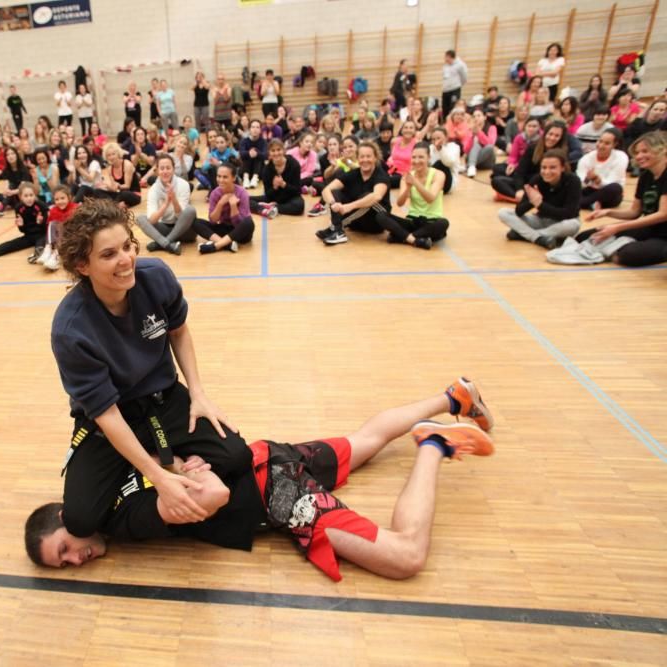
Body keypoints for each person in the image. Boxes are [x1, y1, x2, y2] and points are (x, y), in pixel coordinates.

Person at [25, 378, 495, 583]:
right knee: (365, 440)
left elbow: (206, 493)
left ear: (67, 513)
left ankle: (433, 444)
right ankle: (451, 396)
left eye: (64, 548)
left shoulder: (117, 513)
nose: (76, 559)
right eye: (64, 565)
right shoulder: (111, 483)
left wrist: (182, 474)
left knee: (405, 555)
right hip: (266, 458)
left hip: (276, 493)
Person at [49, 199, 251, 538]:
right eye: (109, 254)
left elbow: (179, 331)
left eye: (127, 246)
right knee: (82, 521)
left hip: (162, 399)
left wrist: (198, 393)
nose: (126, 260)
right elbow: (106, 413)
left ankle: (158, 456)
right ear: (83, 265)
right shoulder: (71, 329)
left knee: (236, 457)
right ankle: (154, 462)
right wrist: (159, 479)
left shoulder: (156, 276)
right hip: (110, 418)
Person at [577, 131, 667, 267]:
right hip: (648, 228)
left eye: (645, 151)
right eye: (637, 153)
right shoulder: (645, 176)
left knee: (626, 256)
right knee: (584, 237)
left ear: (661, 150)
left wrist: (617, 228)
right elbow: (634, 212)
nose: (639, 156)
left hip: (664, 235)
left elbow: (663, 214)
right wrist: (608, 212)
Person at [499, 150, 582, 250]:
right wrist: (531, 202)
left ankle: (524, 234)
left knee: (573, 225)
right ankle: (538, 238)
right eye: (544, 167)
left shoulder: (573, 181)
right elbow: (519, 211)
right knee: (503, 212)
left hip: (562, 223)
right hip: (540, 220)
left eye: (552, 167)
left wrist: (540, 205)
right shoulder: (537, 180)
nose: (547, 172)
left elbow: (568, 213)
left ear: (563, 168)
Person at [316, 141, 391, 245]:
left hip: (375, 223)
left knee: (367, 196)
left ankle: (337, 227)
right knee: (334, 192)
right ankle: (337, 229)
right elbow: (326, 190)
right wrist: (334, 204)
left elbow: (377, 196)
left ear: (375, 158)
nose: (365, 160)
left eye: (368, 156)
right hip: (356, 223)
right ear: (357, 158)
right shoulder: (353, 173)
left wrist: (348, 207)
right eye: (362, 157)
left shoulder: (381, 175)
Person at [375, 143, 449, 250]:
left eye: (421, 157)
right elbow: (400, 203)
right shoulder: (407, 176)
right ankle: (416, 240)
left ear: (429, 158)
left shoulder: (439, 174)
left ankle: (401, 237)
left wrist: (415, 183)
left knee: (443, 223)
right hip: (412, 221)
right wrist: (408, 188)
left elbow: (430, 198)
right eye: (414, 157)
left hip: (431, 222)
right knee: (381, 215)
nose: (416, 161)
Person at [491, 120, 569, 202]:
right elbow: (520, 172)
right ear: (545, 134)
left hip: (547, 187)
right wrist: (519, 189)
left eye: (557, 136)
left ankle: (524, 199)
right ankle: (523, 198)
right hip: (528, 184)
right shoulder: (533, 148)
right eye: (550, 134)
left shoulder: (562, 153)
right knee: (497, 180)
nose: (552, 138)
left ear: (561, 138)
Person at [136, 154, 197, 255]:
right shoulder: (153, 190)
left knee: (191, 210)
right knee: (140, 218)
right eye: (162, 168)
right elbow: (152, 220)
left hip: (185, 231)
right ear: (157, 171)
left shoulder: (183, 184)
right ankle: (168, 244)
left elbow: (180, 216)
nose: (165, 171)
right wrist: (165, 204)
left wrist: (173, 199)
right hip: (164, 229)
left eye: (168, 168)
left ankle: (160, 243)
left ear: (173, 169)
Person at [195, 163, 255, 254]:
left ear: (233, 178)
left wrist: (233, 206)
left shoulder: (242, 193)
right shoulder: (215, 193)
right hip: (224, 229)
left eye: (225, 177)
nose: (221, 180)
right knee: (195, 222)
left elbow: (239, 224)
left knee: (249, 223)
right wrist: (220, 203)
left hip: (240, 233)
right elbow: (213, 221)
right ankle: (227, 244)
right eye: (219, 176)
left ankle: (215, 246)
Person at [249, 140, 303, 218]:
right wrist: (274, 187)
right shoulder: (267, 169)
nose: (276, 153)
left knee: (300, 206)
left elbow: (297, 191)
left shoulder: (294, 164)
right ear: (269, 153)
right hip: (273, 198)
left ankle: (274, 208)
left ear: (283, 150)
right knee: (247, 199)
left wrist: (284, 185)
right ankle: (263, 209)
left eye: (278, 149)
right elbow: (268, 194)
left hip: (290, 197)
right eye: (273, 151)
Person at [576, 129, 628, 210]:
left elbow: (612, 182)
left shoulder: (621, 157)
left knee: (616, 188)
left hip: (607, 193)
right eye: (600, 141)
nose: (601, 145)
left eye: (607, 143)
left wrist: (598, 180)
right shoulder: (586, 158)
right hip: (589, 191)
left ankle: (580, 203)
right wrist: (587, 179)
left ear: (615, 144)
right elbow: (580, 184)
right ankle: (591, 204)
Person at [39, 185, 77, 271]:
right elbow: (49, 228)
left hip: (72, 239)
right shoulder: (53, 210)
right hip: (57, 240)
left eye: (62, 198)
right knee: (52, 223)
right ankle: (48, 249)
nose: (60, 201)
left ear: (69, 197)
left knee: (62, 226)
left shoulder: (75, 208)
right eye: (57, 199)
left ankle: (56, 256)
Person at [96, 142, 141, 208]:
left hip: (132, 194)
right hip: (120, 194)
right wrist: (107, 187)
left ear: (118, 154)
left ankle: (111, 205)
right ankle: (117, 205)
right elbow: (114, 189)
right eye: (109, 155)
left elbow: (127, 186)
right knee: (97, 191)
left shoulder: (126, 164)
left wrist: (118, 186)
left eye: (113, 154)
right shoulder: (109, 169)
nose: (111, 157)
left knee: (124, 194)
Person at [463, 109, 497, 177]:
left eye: (479, 115)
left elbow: (491, 144)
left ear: (485, 117)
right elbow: (465, 150)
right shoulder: (470, 129)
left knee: (490, 147)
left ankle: (470, 165)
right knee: (476, 145)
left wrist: (479, 132)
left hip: (487, 161)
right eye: (474, 116)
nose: (476, 118)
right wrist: (472, 136)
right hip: (471, 159)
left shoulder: (492, 127)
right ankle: (471, 166)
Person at [238, 119, 267, 189]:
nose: (255, 129)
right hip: (245, 170)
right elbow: (241, 154)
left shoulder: (263, 141)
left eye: (257, 127)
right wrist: (249, 153)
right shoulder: (244, 141)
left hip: (259, 171)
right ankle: (246, 178)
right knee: (248, 154)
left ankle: (255, 178)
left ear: (260, 130)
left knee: (257, 155)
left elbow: (265, 155)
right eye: (253, 127)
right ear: (249, 129)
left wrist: (256, 153)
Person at [441, 50, 467, 117]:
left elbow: (464, 77)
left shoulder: (460, 65)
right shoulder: (445, 65)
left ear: (450, 57)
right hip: (446, 90)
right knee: (445, 108)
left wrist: (457, 84)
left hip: (454, 89)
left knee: (453, 107)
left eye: (446, 57)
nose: (445, 58)